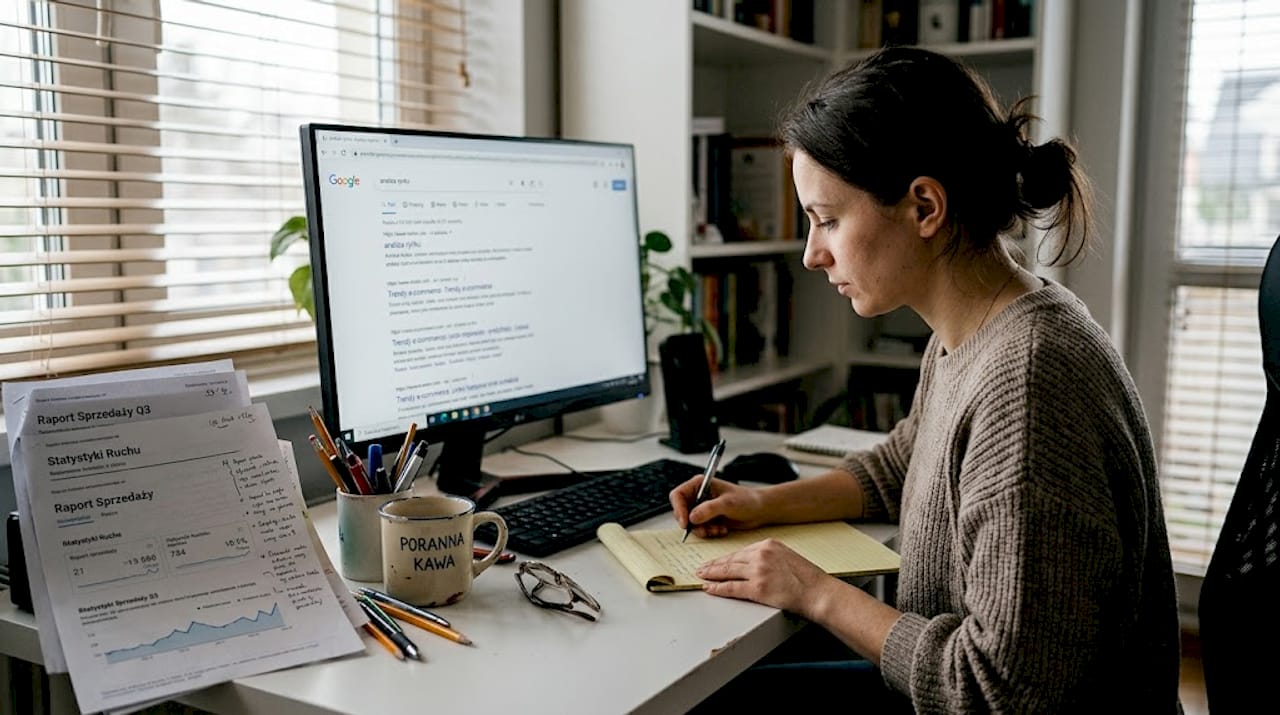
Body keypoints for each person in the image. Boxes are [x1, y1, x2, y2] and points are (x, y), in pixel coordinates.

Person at [671, 46, 1181, 713]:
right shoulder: (974, 328)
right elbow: (904, 465)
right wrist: (764, 504)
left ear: (924, 206)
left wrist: (816, 589)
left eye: (827, 219)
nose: (810, 252)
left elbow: (996, 688)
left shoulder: (1027, 380)